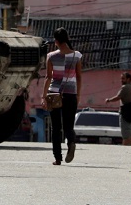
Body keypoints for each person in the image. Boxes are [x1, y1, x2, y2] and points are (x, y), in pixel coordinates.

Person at [43, 27, 83, 165]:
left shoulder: (51, 56)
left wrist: (44, 96)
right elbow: (78, 77)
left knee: (55, 127)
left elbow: (48, 77)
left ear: (56, 41)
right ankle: (71, 142)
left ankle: (58, 158)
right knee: (68, 126)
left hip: (54, 93)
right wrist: (78, 94)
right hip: (71, 93)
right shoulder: (76, 55)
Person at [103, 71, 131, 146]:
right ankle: (130, 147)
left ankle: (125, 148)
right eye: (121, 78)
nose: (121, 80)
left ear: (128, 79)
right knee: (130, 133)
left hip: (125, 113)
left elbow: (118, 97)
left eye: (123, 78)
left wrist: (109, 100)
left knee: (126, 134)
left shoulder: (125, 87)